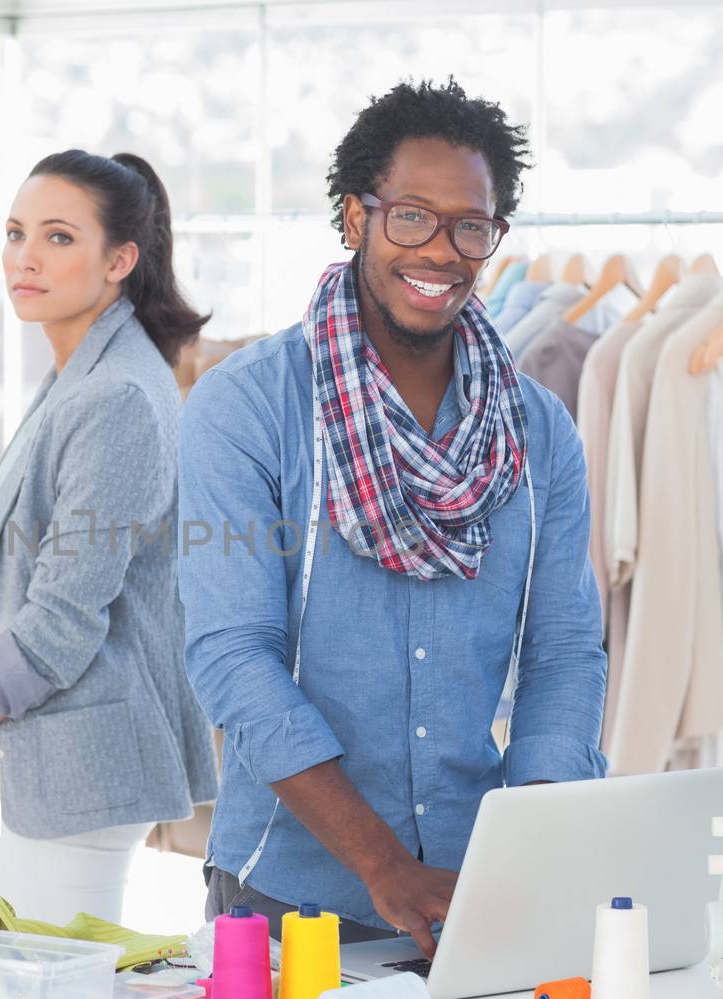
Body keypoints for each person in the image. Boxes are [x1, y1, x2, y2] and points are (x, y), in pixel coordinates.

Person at [178, 79, 607, 955]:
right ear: (354, 218)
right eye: (411, 216)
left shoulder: (539, 429)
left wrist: (531, 849)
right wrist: (382, 864)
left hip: (472, 889)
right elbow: (233, 654)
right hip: (282, 891)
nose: (442, 250)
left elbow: (563, 654)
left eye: (469, 225)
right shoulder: (248, 408)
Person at [0, 149, 218, 925]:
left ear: (121, 259)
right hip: (62, 752)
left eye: (56, 237)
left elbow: (64, 616)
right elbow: (83, 531)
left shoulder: (114, 392)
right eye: (16, 233)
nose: (25, 257)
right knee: (40, 989)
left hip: (86, 752)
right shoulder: (84, 368)